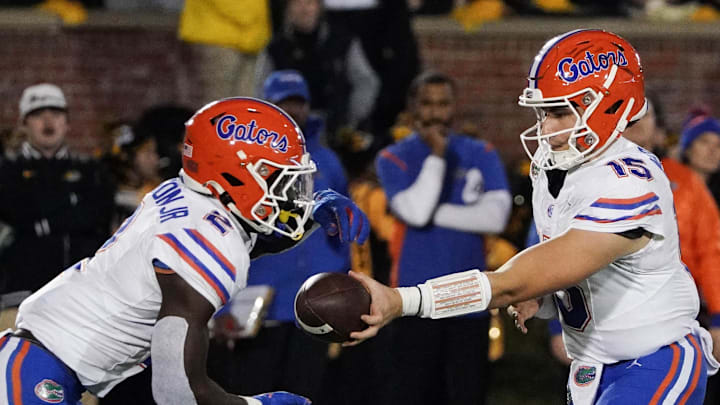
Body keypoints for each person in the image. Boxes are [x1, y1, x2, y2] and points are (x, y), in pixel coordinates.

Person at [349, 30, 719, 404]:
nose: (545, 128)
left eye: (560, 112)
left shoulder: (629, 181)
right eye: (543, 112)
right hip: (592, 364)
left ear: (608, 105)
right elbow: (582, 273)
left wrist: (402, 300)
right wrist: (546, 298)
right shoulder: (554, 164)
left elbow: (516, 281)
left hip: (655, 358)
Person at [0, 97, 369, 405]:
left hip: (43, 363)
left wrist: (310, 214)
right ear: (235, 174)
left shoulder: (187, 194)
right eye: (279, 178)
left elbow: (244, 240)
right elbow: (176, 392)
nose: (293, 193)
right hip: (37, 373)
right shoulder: (207, 239)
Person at [206, 70, 351, 401]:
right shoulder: (241, 165)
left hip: (313, 307)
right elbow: (220, 235)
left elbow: (342, 233)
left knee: (307, 395)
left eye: (298, 103)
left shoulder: (327, 161)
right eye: (282, 103)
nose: (293, 111)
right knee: (253, 396)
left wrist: (342, 287)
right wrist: (219, 307)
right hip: (257, 309)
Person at [374, 71, 511, 405]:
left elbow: (496, 217)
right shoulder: (393, 157)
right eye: (427, 104)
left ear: (455, 107)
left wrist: (438, 213)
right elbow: (416, 212)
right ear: (413, 108)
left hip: (471, 299)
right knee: (412, 395)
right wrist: (436, 157)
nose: (436, 113)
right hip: (413, 301)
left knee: (467, 395)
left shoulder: (481, 151)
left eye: (443, 104)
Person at [0, 83, 114, 328]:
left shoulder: (91, 171)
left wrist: (41, 220)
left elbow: (98, 217)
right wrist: (70, 211)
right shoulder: (7, 172)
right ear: (24, 124)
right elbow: (15, 215)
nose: (48, 120)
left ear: (67, 122)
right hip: (20, 294)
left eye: (56, 113)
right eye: (38, 114)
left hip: (83, 295)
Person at [255, 0, 379, 143]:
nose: (304, 9)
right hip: (286, 135)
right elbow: (261, 92)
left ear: (319, 7)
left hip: (335, 132)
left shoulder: (343, 42)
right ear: (287, 9)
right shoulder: (274, 49)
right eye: (297, 3)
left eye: (309, 3)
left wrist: (348, 120)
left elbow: (367, 82)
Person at [678, 110, 720, 205]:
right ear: (688, 149)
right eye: (704, 142)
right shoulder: (668, 188)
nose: (712, 150)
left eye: (718, 145)